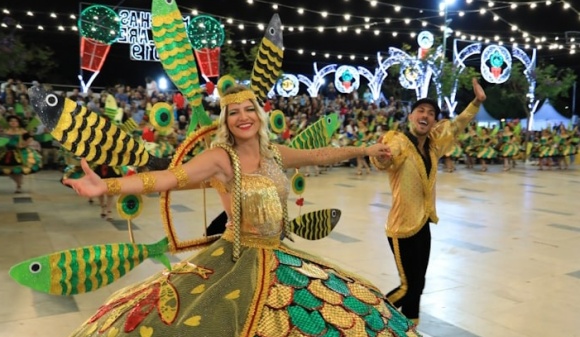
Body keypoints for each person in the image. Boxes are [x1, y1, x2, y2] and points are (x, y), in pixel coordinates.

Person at [64, 85, 420, 336]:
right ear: (226, 121)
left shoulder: (273, 154)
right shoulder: (221, 158)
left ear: (260, 115)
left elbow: (317, 155)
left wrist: (363, 150)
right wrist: (106, 186)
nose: (243, 117)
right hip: (238, 256)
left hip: (278, 255)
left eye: (249, 109)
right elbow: (169, 178)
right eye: (234, 112)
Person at [370, 78, 486, 324]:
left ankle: (410, 327)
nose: (426, 115)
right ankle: (371, 319)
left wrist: (476, 102)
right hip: (401, 227)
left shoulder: (432, 147)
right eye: (421, 110)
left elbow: (456, 125)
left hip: (423, 223)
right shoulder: (398, 140)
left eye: (431, 113)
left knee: (418, 286)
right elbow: (385, 160)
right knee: (406, 287)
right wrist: (380, 156)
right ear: (411, 116)